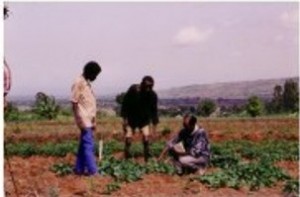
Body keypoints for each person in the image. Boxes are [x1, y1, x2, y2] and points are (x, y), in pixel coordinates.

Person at [71, 61, 101, 176]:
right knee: (89, 146)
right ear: (90, 72)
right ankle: (93, 171)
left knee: (83, 146)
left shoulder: (86, 83)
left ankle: (79, 169)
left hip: (89, 119)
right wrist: (79, 120)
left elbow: (90, 104)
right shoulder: (79, 82)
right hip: (84, 119)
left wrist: (94, 120)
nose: (95, 77)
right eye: (95, 75)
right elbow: (74, 103)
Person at [121, 75, 159, 162]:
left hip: (144, 120)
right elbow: (125, 105)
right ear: (142, 84)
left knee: (146, 138)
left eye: (150, 87)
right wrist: (124, 120)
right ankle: (126, 158)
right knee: (128, 138)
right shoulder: (133, 90)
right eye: (146, 86)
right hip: (131, 119)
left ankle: (146, 160)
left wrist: (154, 129)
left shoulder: (153, 95)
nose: (148, 89)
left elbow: (154, 112)